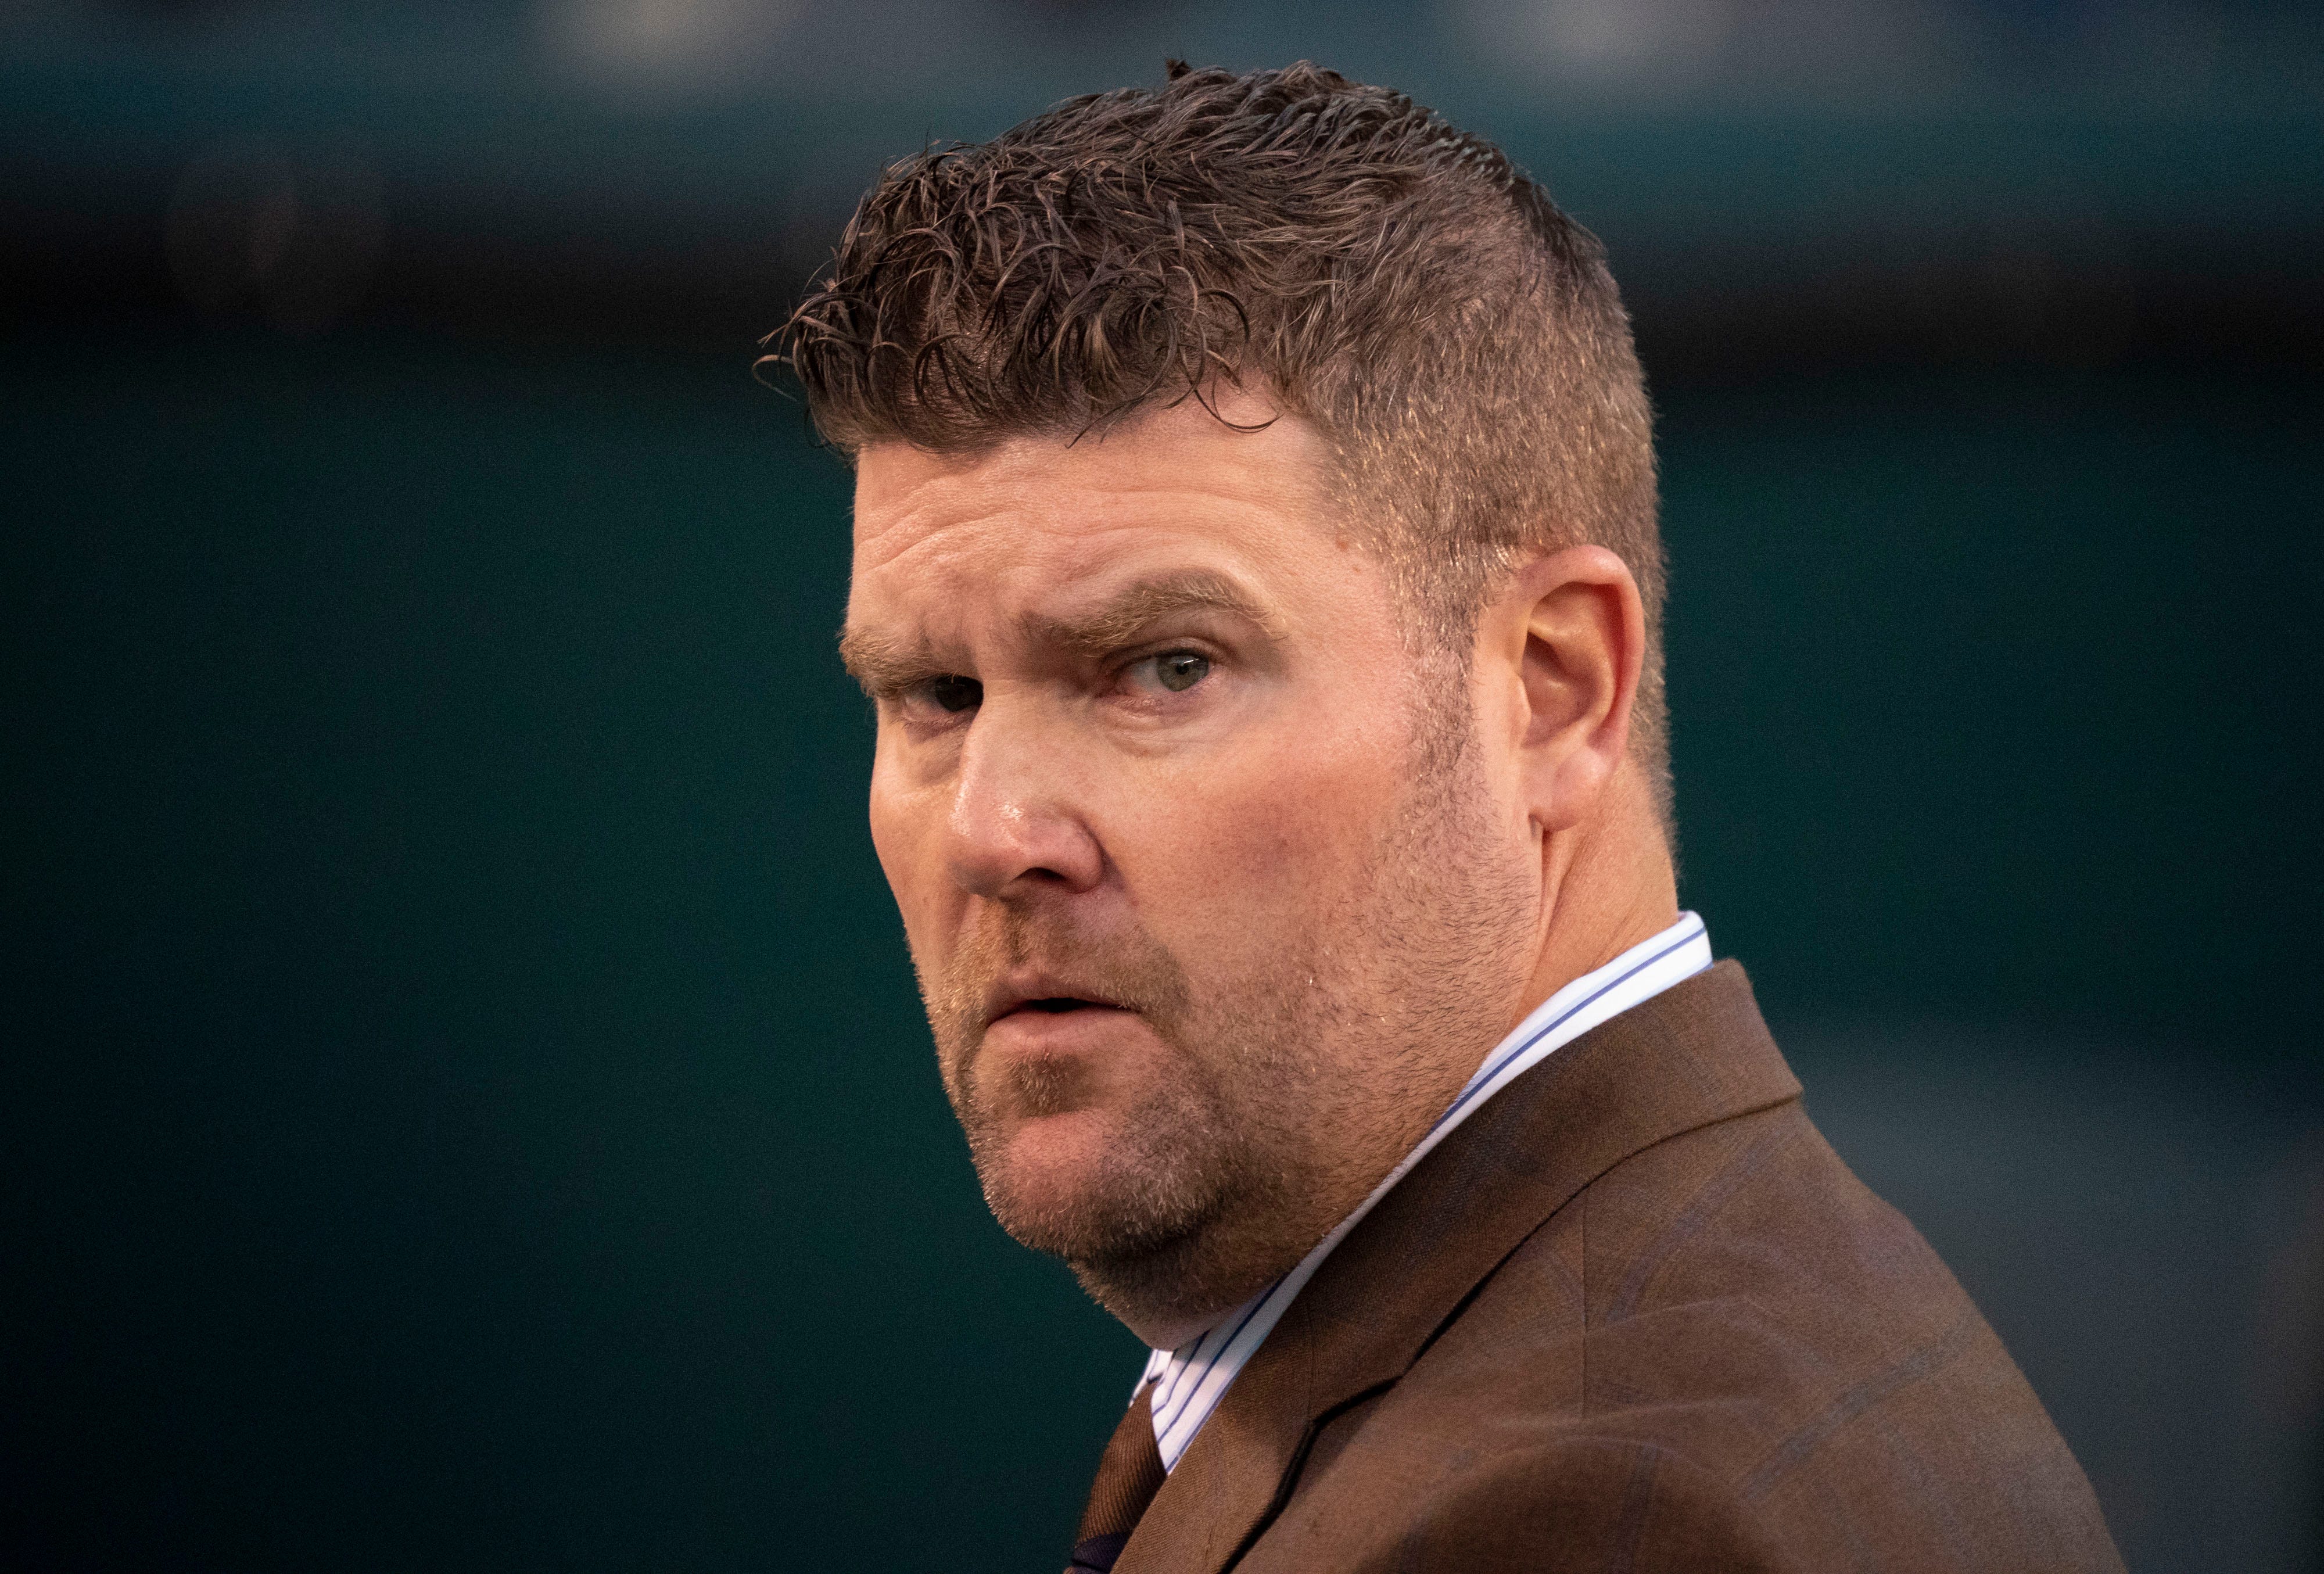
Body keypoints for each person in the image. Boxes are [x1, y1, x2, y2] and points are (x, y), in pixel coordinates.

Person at [771, 60, 2124, 1574]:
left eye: (1166, 667)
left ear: (1552, 691)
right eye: (937, 694)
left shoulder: (1600, 1518)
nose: (992, 829)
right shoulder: (1609, 1366)